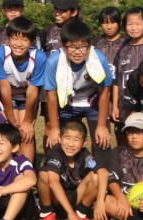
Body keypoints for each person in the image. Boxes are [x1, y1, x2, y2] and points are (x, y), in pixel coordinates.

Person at [43, 21, 113, 156]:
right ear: (63, 46)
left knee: (102, 143)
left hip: (93, 103)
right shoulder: (54, 61)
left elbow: (104, 92)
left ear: (90, 45)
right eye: (71, 47)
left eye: (82, 47)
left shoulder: (99, 58)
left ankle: (101, 171)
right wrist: (55, 127)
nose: (77, 52)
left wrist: (102, 125)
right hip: (67, 103)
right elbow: (51, 96)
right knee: (62, 143)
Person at [0, 16, 45, 161]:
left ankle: (27, 175)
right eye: (14, 38)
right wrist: (12, 119)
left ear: (31, 42)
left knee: (26, 134)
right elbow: (4, 88)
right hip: (6, 96)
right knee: (7, 134)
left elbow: (33, 91)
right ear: (8, 38)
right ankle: (6, 173)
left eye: (24, 40)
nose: (19, 44)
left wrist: (26, 121)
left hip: (27, 96)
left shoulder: (39, 57)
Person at [37, 120, 98, 220]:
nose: (70, 144)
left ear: (85, 142)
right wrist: (70, 213)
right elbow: (54, 183)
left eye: (76, 140)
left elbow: (101, 171)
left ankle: (81, 213)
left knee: (97, 175)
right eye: (67, 138)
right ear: (60, 139)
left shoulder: (85, 154)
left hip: (75, 197)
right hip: (56, 199)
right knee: (44, 174)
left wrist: (101, 202)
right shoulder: (55, 153)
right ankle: (47, 213)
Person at [93, 6, 124, 74]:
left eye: (112, 22)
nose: (109, 27)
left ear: (119, 23)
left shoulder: (127, 42)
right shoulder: (95, 42)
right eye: (105, 23)